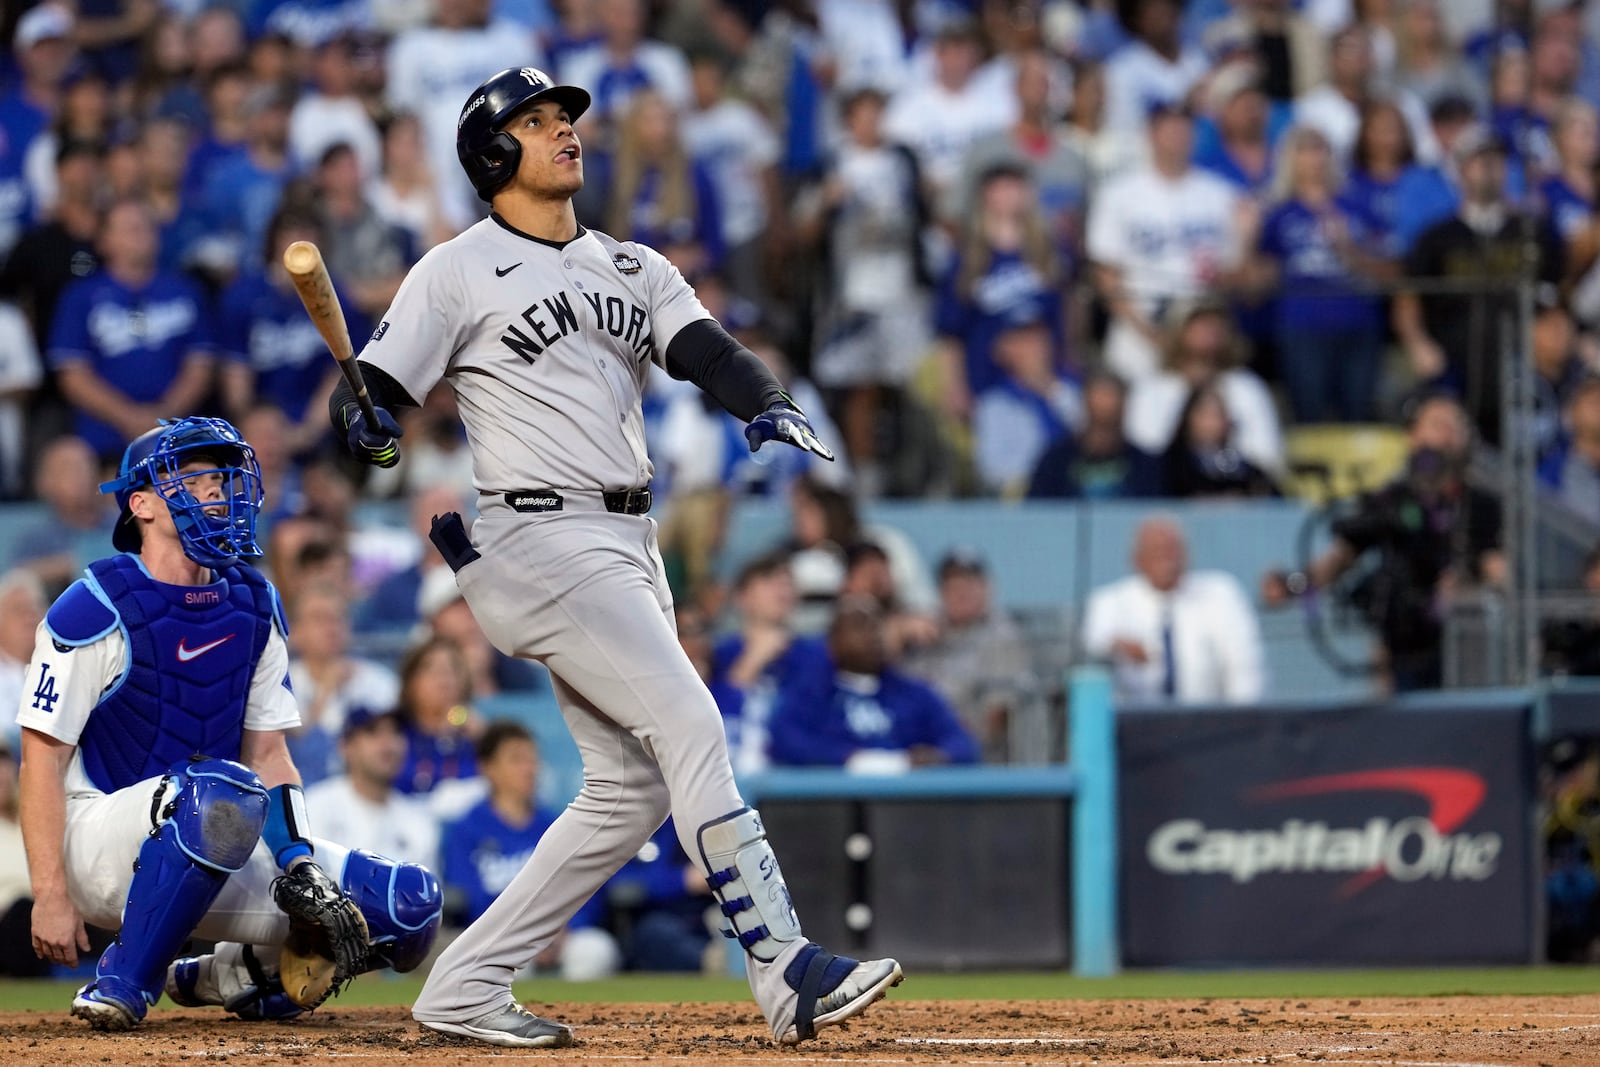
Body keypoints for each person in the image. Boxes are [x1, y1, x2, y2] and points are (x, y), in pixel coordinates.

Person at [328, 66, 901, 1048]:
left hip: (628, 537)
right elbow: (369, 397)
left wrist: (763, 402)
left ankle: (463, 985)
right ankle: (782, 964)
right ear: (493, 152)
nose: (565, 134)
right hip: (538, 534)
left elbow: (708, 351)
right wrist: (369, 423)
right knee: (689, 719)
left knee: (626, 791)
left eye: (564, 119)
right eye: (539, 122)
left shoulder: (633, 266)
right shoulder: (456, 268)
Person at [13, 416, 441, 1029]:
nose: (220, 490)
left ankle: (222, 975)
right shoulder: (97, 603)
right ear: (142, 504)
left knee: (407, 909)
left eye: (225, 476)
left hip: (219, 826)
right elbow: (41, 758)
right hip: (96, 838)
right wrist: (51, 894)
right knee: (220, 791)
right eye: (195, 477)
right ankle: (124, 980)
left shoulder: (253, 601)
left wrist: (300, 864)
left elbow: (269, 755)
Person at [1262, 392, 1504, 692]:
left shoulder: (1482, 504)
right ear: (1413, 436)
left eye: (1454, 426)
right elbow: (1343, 556)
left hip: (1466, 645)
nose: (1446, 435)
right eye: (1437, 424)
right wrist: (1295, 585)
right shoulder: (1393, 499)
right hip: (1402, 643)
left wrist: (1470, 587)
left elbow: (1499, 571)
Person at [441, 720, 620, 980]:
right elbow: (468, 898)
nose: (529, 769)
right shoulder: (467, 829)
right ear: (488, 768)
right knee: (505, 964)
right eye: (516, 760)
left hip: (559, 935)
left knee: (596, 950)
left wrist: (560, 930)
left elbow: (585, 891)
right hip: (497, 938)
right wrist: (524, 933)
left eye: (532, 759)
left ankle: (581, 1020)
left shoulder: (558, 824)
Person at [48, 198, 215, 462]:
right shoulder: (80, 297)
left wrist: (163, 416)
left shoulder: (186, 291)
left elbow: (201, 364)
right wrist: (128, 417)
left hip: (179, 441)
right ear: (104, 241)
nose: (140, 234)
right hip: (102, 443)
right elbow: (73, 375)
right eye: (129, 228)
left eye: (146, 227)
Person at [767, 595, 980, 770]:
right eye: (860, 626)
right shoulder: (808, 694)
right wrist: (847, 758)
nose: (873, 635)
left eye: (877, 626)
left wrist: (939, 757)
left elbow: (963, 744)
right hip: (831, 807)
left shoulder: (915, 693)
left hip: (905, 804)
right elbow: (785, 741)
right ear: (833, 640)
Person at [1083, 516, 1266, 705]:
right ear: (1137, 559)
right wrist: (1117, 648)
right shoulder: (1109, 602)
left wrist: (1241, 722)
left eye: (1172, 550)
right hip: (1135, 723)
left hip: (1209, 721)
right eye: (1157, 551)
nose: (1167, 560)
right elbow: (1094, 645)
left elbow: (1246, 669)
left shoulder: (1221, 594)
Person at [899, 550, 1035, 764]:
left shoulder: (1001, 636)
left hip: (970, 755)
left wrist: (951, 746)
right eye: (953, 586)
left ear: (987, 588)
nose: (961, 594)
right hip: (914, 747)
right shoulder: (924, 630)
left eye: (969, 585)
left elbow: (998, 715)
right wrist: (898, 636)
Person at [303, 706, 441, 871]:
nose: (388, 744)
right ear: (346, 747)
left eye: (396, 732)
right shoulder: (315, 807)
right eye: (373, 732)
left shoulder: (419, 824)